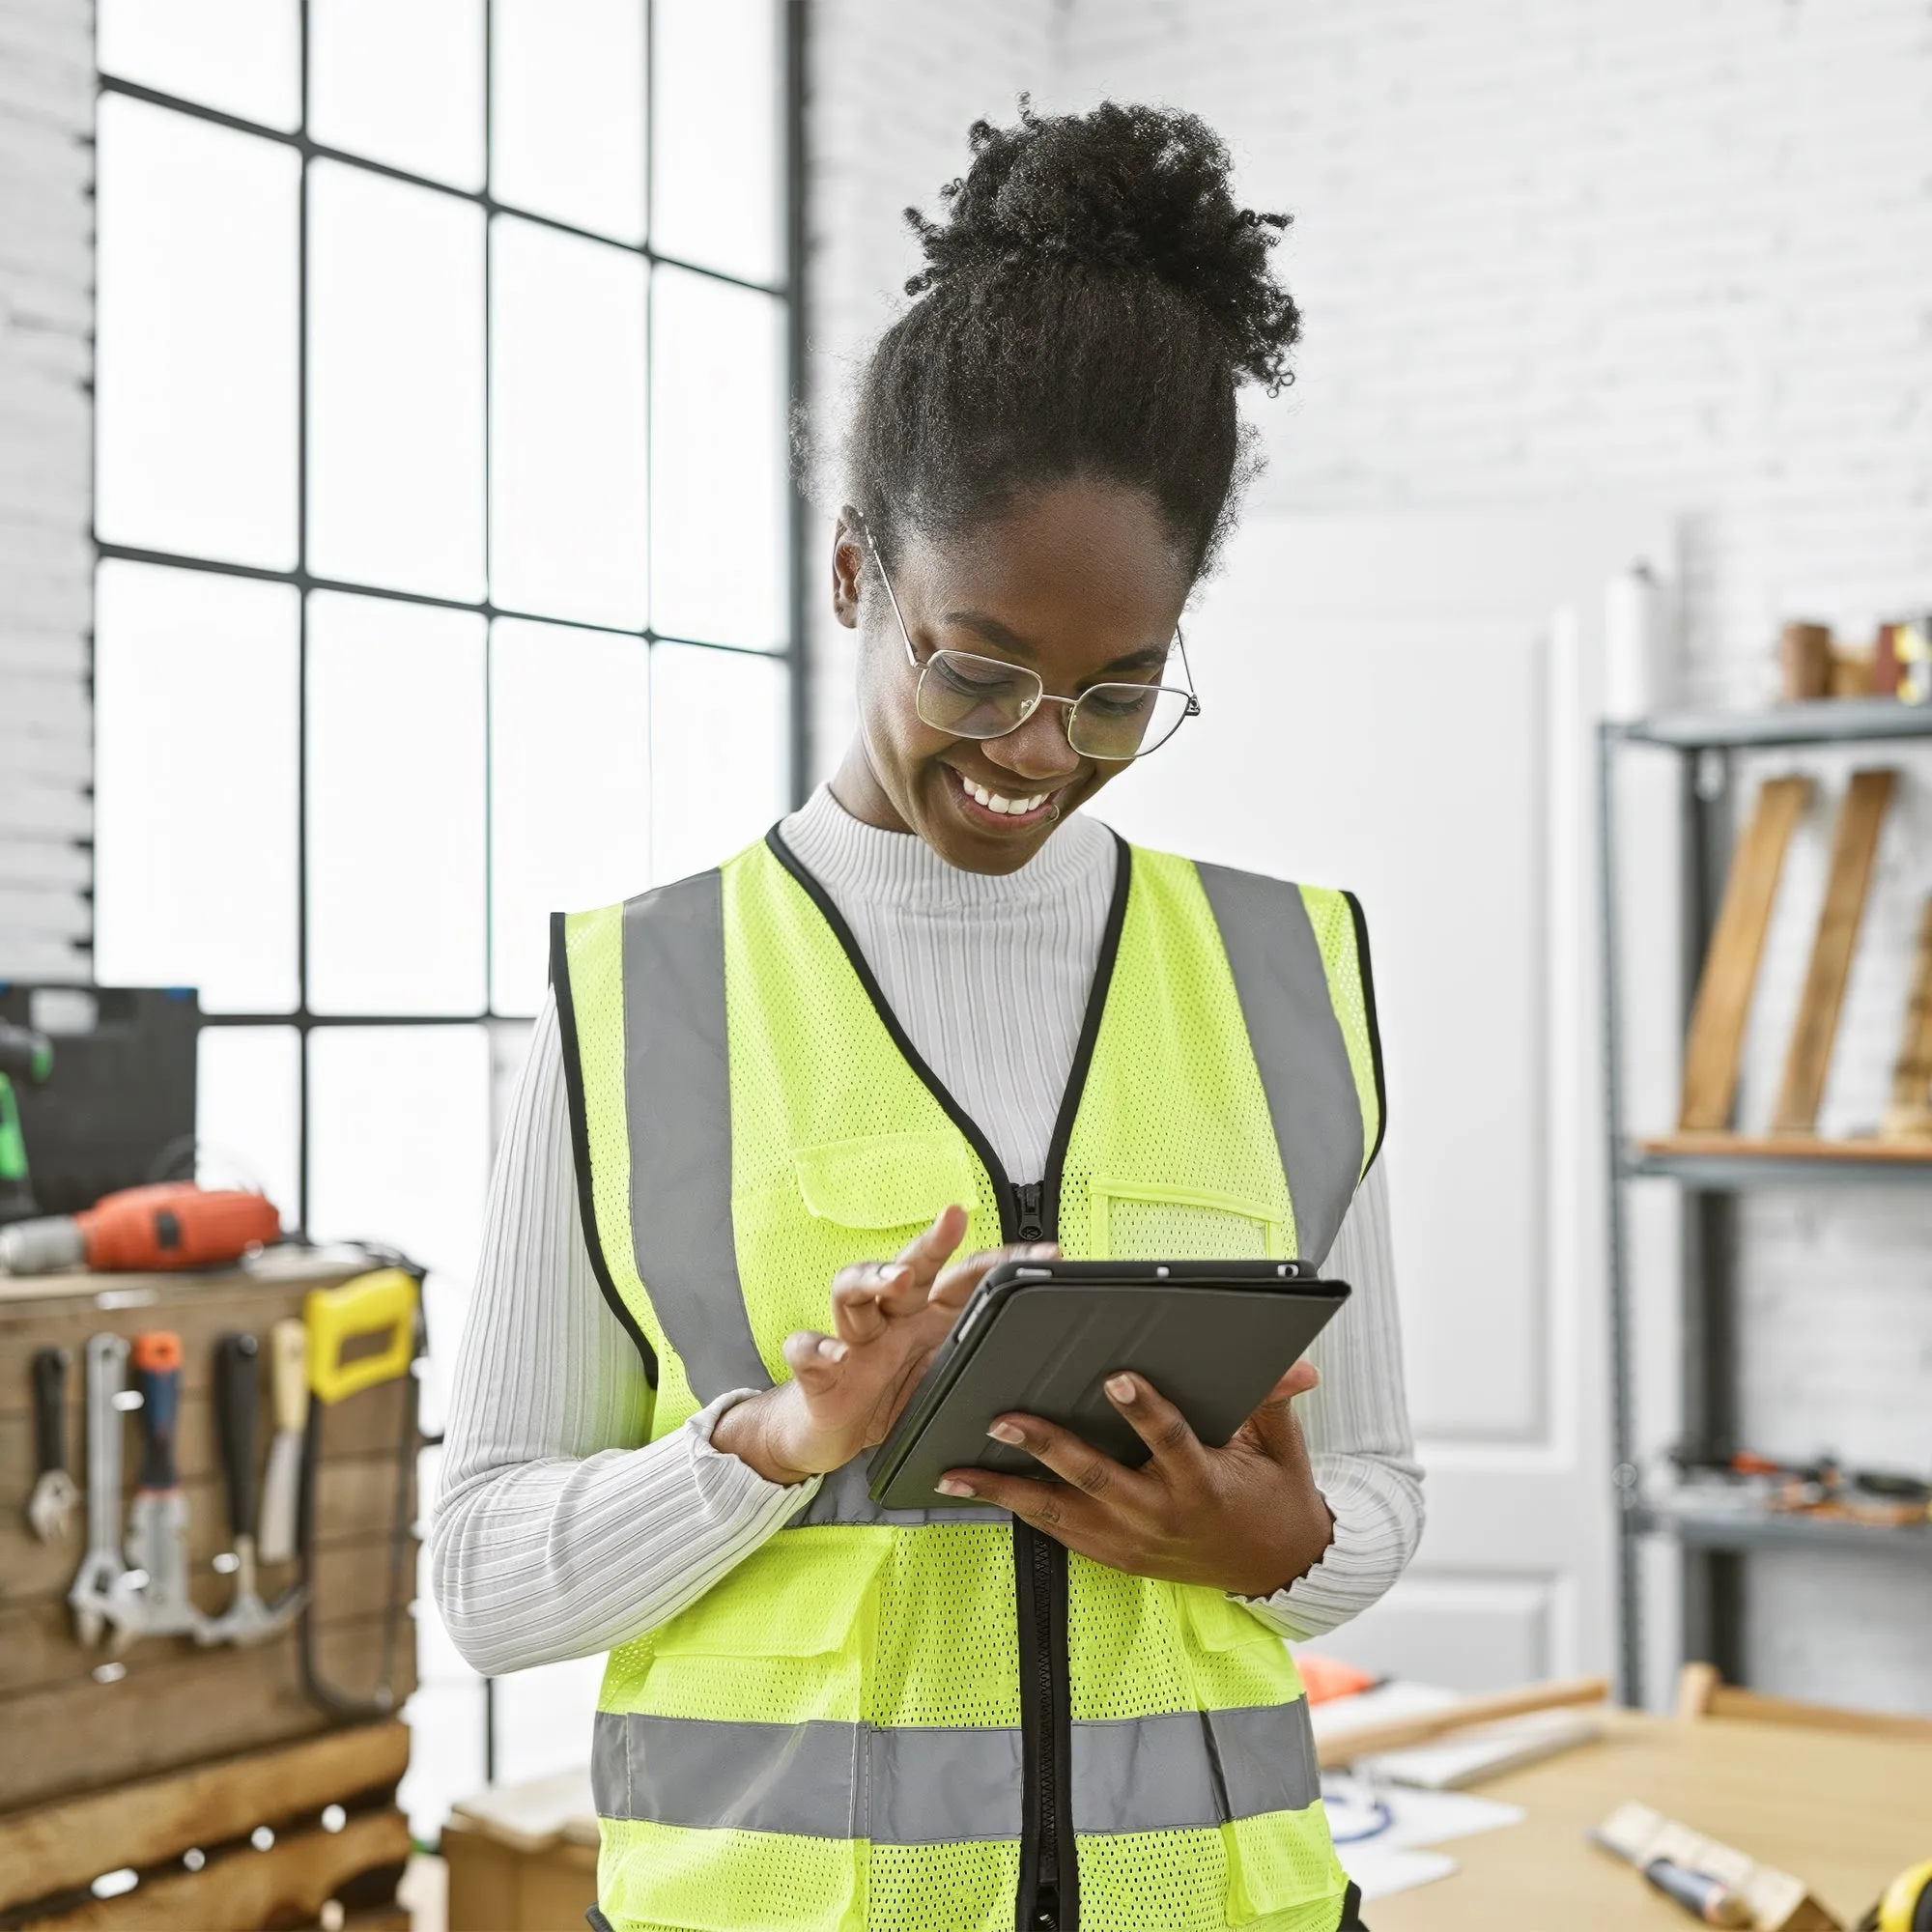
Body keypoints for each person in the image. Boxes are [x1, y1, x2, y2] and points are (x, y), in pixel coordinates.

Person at [435, 99, 1421, 1932]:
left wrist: (1286, 1549)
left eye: (1119, 695)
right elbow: (483, 1578)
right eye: (979, 665)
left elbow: (1369, 1488)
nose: (1039, 753)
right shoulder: (640, 997)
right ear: (852, 576)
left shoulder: (1290, 978)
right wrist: (769, 1452)